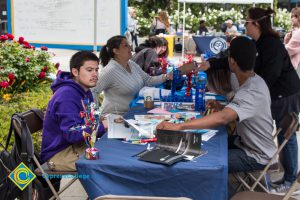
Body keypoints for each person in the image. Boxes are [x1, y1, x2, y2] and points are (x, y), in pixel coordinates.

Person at [199, 7, 300, 193]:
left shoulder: (271, 45)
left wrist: (251, 94)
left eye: (246, 22)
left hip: (285, 94)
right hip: (269, 94)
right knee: (273, 134)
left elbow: (268, 75)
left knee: (287, 135)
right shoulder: (258, 43)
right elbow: (238, 60)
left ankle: (290, 179)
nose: (244, 25)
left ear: (256, 24)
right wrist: (212, 63)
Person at [157, 36, 277, 178]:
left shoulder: (251, 91)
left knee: (202, 161)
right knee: (203, 142)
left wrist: (180, 126)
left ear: (232, 61)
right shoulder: (255, 80)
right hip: (244, 142)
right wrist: (220, 106)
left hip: (256, 155)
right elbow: (237, 111)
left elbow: (224, 118)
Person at [40, 51, 107, 171]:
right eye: (89, 70)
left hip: (78, 145)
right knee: (108, 163)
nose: (95, 74)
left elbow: (88, 122)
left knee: (113, 152)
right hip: (59, 153)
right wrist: (103, 126)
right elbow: (72, 134)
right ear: (75, 72)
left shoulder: (85, 91)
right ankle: (106, 190)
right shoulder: (66, 95)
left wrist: (104, 121)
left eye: (96, 70)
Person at [92, 35, 172, 115]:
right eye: (125, 46)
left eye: (129, 45)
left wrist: (167, 76)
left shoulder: (132, 64)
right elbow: (93, 90)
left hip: (131, 114)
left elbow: (148, 80)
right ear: (116, 51)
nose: (130, 48)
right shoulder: (110, 71)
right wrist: (95, 114)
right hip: (114, 117)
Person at [284, 7, 300, 77]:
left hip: (295, 66)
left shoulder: (298, 33)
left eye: (294, 16)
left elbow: (288, 49)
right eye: (291, 16)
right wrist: (289, 35)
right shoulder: (295, 31)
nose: (292, 19)